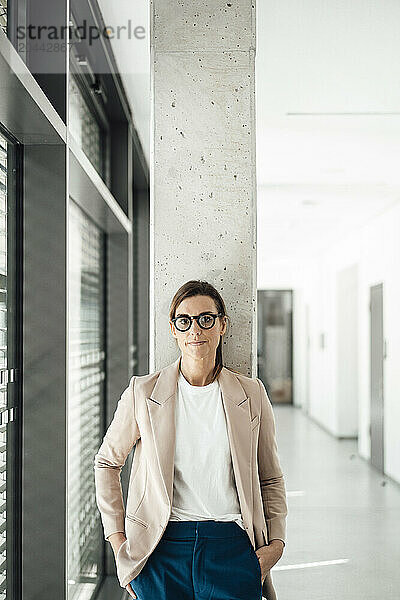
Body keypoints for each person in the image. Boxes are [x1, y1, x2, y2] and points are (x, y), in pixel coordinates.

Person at [94, 280, 288, 600]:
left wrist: (275, 546)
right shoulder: (143, 393)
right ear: (174, 329)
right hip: (160, 550)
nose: (195, 329)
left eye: (205, 319)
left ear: (222, 325)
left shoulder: (251, 394)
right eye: (184, 321)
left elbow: (270, 476)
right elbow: (106, 462)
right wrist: (118, 544)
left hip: (232, 548)